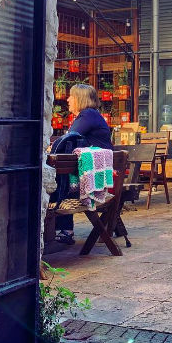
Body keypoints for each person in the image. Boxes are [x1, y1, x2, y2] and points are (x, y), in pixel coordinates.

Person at [50, 83, 113, 244]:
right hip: (100, 172)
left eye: (71, 96)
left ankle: (63, 230)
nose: (68, 99)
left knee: (57, 181)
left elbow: (69, 138)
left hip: (99, 178)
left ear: (80, 98)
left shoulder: (88, 115)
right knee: (59, 177)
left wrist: (50, 147)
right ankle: (62, 229)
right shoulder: (91, 115)